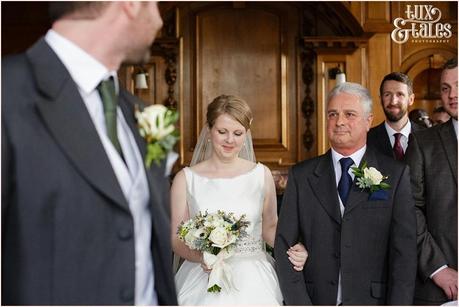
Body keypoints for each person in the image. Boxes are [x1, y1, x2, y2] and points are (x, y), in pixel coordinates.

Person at [2, 2, 177, 305]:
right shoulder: (8, 94)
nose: (158, 20)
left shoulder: (139, 113)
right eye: (153, 3)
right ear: (130, 5)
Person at [275, 82, 417, 305]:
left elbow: (404, 257)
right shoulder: (301, 176)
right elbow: (284, 246)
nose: (339, 121)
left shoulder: (395, 175)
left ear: (369, 121)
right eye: (333, 114)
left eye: (349, 114)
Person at [170, 95, 308, 305]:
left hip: (254, 276)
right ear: (209, 130)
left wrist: (294, 247)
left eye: (237, 133)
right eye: (222, 132)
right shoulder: (186, 179)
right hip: (202, 275)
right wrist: (204, 258)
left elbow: (270, 227)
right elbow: (176, 237)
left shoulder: (261, 175)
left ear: (246, 134)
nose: (230, 140)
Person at [405, 58, 458, 305]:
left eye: (458, 85)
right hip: (440, 285)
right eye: (446, 88)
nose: (452, 95)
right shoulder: (423, 143)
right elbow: (409, 209)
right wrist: (437, 268)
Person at [367, 72, 425, 161]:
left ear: (411, 99)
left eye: (400, 94)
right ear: (380, 99)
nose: (393, 101)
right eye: (387, 94)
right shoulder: (367, 139)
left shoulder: (427, 137)